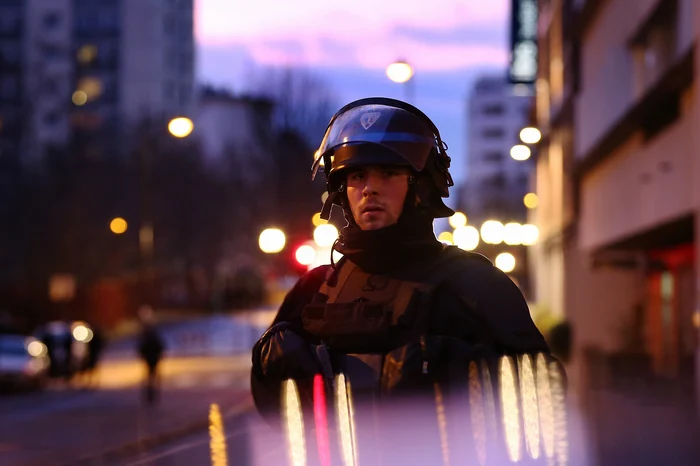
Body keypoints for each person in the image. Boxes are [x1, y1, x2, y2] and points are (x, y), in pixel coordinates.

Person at [251, 97, 565, 465]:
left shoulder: (474, 282)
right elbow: (277, 416)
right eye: (357, 176)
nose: (370, 188)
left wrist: (457, 370)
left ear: (421, 186)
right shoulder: (316, 288)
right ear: (341, 190)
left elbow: (546, 395)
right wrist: (272, 369)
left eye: (388, 173)